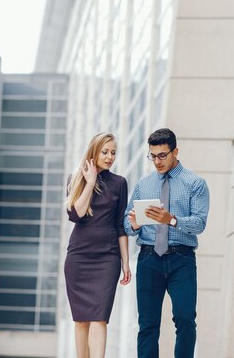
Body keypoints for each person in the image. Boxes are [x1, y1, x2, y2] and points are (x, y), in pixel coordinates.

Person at [124, 128, 210, 358]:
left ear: (175, 151)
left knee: (184, 318)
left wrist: (170, 219)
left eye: (162, 155)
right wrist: (134, 224)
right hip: (148, 257)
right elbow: (125, 223)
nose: (157, 161)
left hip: (181, 258)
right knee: (147, 324)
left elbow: (200, 224)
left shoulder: (195, 183)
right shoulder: (143, 185)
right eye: (153, 156)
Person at [64, 133, 131, 358]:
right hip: (79, 257)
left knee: (100, 318)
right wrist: (90, 182)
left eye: (113, 152)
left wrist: (126, 263)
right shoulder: (75, 178)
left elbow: (121, 225)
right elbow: (76, 214)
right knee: (81, 320)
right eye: (105, 152)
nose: (110, 157)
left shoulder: (120, 183)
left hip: (107, 258)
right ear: (94, 152)